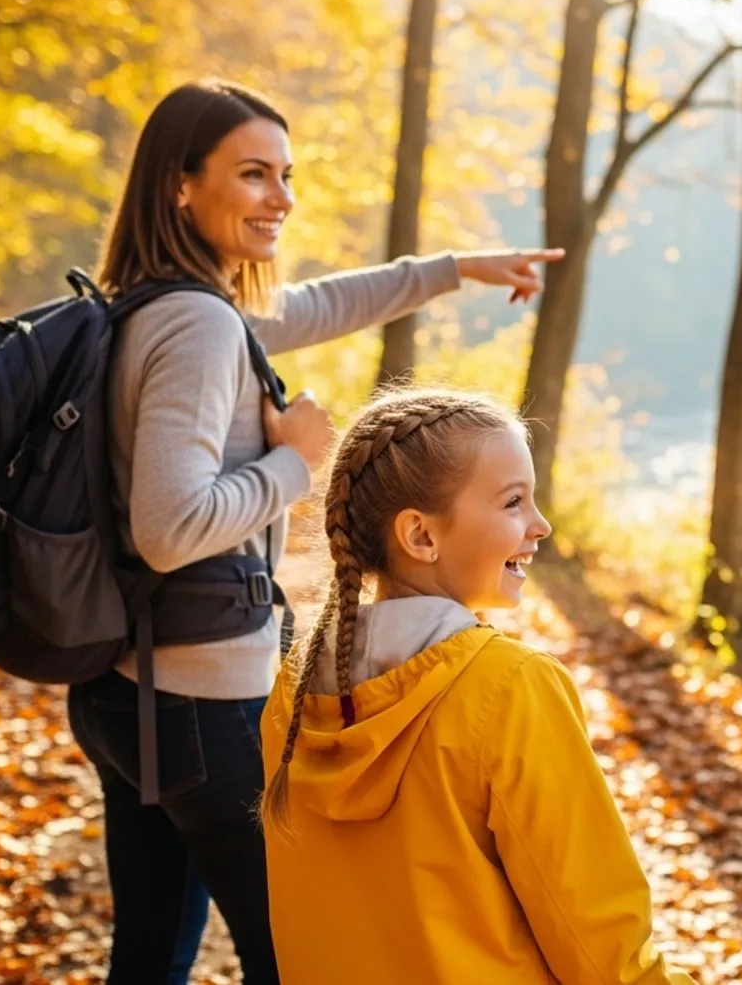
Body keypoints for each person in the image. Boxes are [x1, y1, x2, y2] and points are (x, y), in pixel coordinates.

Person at [67, 77, 562, 984]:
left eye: (286, 175)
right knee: (299, 956)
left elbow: (316, 306)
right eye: (254, 174)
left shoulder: (147, 304)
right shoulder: (199, 325)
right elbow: (171, 526)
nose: (281, 199)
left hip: (123, 689)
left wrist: (455, 267)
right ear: (181, 184)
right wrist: (299, 459)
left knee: (147, 954)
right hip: (199, 702)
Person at [256, 386, 695, 984]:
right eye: (513, 502)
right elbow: (597, 937)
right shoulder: (510, 688)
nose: (540, 525)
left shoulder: (297, 688)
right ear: (421, 536)